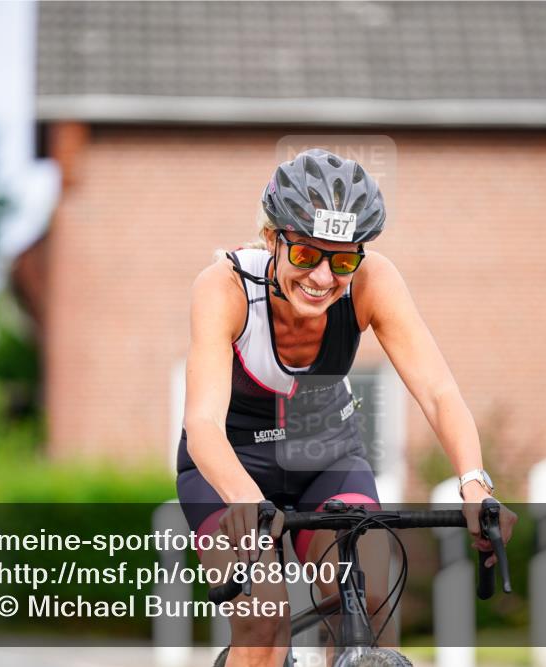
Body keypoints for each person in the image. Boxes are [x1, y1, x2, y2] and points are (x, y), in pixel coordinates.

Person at [177, 148, 516, 666]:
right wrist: (246, 500)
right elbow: (202, 424)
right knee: (263, 619)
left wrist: (474, 483)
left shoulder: (374, 282)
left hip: (326, 458)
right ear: (273, 239)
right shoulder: (223, 288)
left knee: (371, 599)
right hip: (231, 466)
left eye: (342, 260)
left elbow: (437, 391)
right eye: (306, 254)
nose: (322, 277)